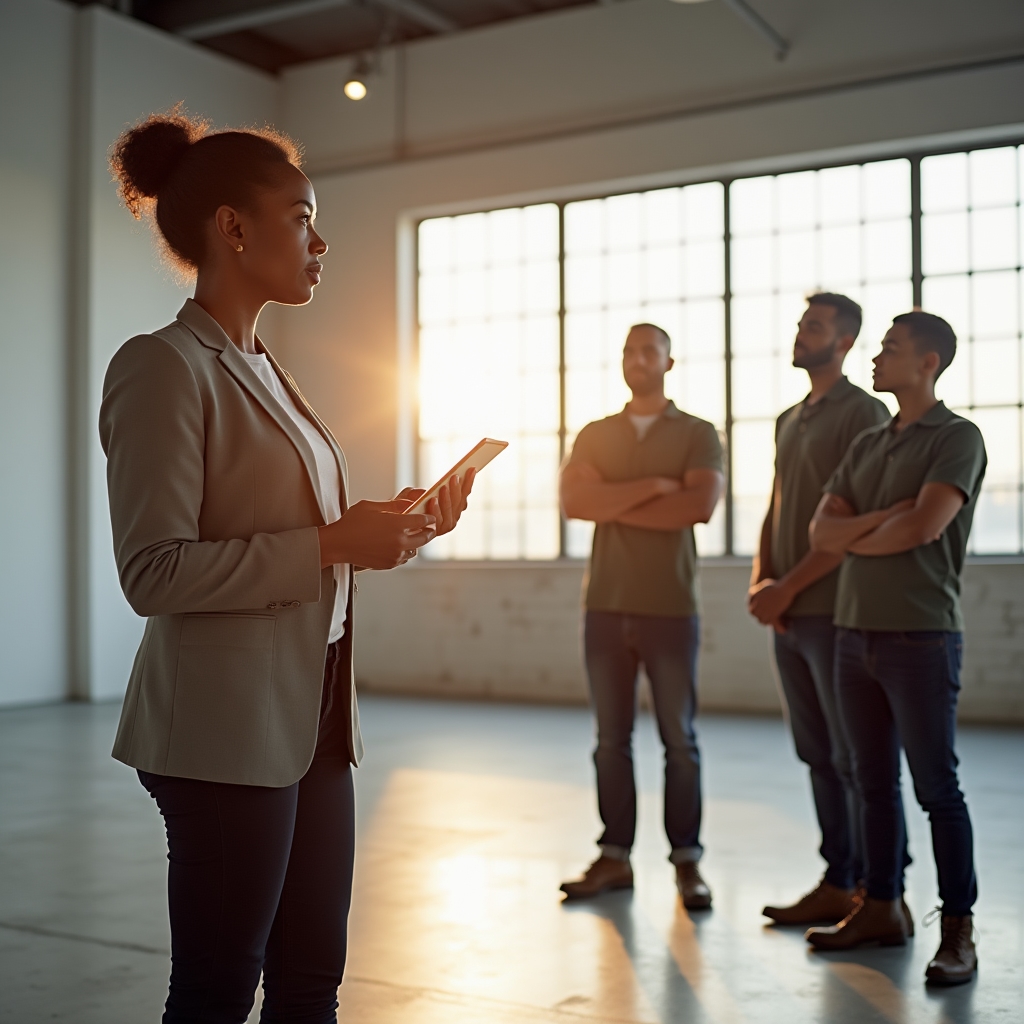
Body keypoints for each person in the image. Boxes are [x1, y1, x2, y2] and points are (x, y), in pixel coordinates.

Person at [101, 108, 474, 1023]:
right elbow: (153, 571)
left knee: (312, 982)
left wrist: (380, 525)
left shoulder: (266, 367)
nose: (322, 240)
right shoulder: (163, 368)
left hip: (313, 720)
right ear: (234, 227)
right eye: (302, 216)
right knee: (219, 993)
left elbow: (293, 528)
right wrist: (331, 545)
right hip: (224, 735)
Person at [806, 312, 985, 987]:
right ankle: (881, 906)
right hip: (855, 632)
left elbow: (927, 525)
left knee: (937, 787)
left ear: (929, 362)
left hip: (921, 635)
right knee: (871, 782)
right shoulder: (871, 441)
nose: (878, 357)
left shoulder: (958, 437)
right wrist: (885, 520)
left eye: (891, 349)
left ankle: (959, 932)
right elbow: (825, 533)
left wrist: (869, 527)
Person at [748, 293, 911, 927]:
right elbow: (777, 502)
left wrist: (790, 589)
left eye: (813, 327)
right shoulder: (790, 418)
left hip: (833, 611)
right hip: (787, 611)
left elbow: (848, 528)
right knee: (817, 753)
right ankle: (837, 879)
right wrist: (765, 581)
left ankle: (877, 890)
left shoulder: (864, 413)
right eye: (799, 324)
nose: (800, 334)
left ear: (843, 342)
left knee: (854, 758)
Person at [558, 323, 724, 908]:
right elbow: (575, 503)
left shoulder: (700, 434)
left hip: (670, 609)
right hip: (604, 606)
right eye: (627, 349)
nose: (636, 359)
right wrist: (655, 487)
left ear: (669, 362)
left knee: (680, 740)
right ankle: (615, 859)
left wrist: (616, 498)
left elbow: (699, 507)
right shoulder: (596, 433)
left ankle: (687, 862)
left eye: (648, 350)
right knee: (610, 740)